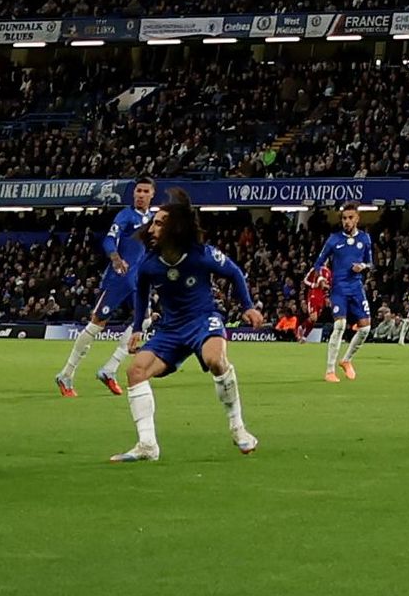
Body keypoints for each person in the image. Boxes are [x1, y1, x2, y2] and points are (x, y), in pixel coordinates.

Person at [108, 191, 259, 462]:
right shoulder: (150, 265)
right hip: (170, 329)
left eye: (159, 223)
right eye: (152, 222)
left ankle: (238, 428)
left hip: (202, 320)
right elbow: (141, 292)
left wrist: (248, 306)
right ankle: (147, 445)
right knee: (135, 372)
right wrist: (138, 329)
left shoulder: (201, 255)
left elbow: (235, 272)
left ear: (175, 227)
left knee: (215, 359)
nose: (151, 228)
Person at [57, 182, 157, 397]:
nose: (141, 195)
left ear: (152, 195)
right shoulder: (126, 216)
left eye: (145, 192)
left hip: (139, 279)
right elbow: (110, 239)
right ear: (133, 193)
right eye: (138, 191)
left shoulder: (153, 218)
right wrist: (115, 258)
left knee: (145, 320)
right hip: (120, 278)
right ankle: (66, 374)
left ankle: (109, 369)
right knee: (96, 325)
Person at [317, 203, 378, 382]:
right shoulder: (333, 240)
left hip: (356, 288)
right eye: (344, 218)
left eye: (350, 218)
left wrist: (363, 267)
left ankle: (346, 360)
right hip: (339, 288)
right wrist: (321, 278)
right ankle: (329, 370)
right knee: (339, 326)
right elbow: (319, 263)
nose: (347, 221)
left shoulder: (365, 239)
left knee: (366, 328)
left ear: (357, 219)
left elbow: (371, 263)